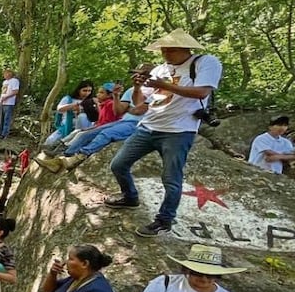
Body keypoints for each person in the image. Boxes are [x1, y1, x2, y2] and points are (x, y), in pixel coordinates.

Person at [105, 28, 223, 238]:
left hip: (179, 130)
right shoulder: (161, 69)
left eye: (170, 49)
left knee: (171, 178)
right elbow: (140, 104)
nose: (165, 54)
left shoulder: (205, 63)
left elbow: (202, 91)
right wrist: (137, 87)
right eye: (163, 50)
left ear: (184, 48)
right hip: (149, 125)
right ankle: (130, 197)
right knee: (119, 164)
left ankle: (164, 219)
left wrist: (163, 84)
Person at [34, 81, 150, 173]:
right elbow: (119, 110)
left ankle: (78, 156)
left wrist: (127, 108)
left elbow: (134, 112)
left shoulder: (157, 92)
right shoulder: (129, 91)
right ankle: (62, 158)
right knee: (85, 134)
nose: (138, 76)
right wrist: (116, 96)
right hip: (123, 121)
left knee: (105, 134)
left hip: (137, 124)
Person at [44, 80, 95, 147]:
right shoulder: (68, 99)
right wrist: (72, 106)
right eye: (84, 90)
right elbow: (59, 109)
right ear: (78, 90)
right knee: (50, 141)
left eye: (89, 91)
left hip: (83, 127)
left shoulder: (92, 101)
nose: (87, 93)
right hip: (67, 126)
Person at [0, 68, 20, 138]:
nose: (4, 75)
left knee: (7, 119)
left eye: (6, 73)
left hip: (9, 103)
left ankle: (4, 134)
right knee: (1, 118)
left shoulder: (14, 81)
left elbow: (15, 91)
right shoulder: (4, 82)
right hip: (2, 102)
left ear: (10, 73)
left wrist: (6, 97)